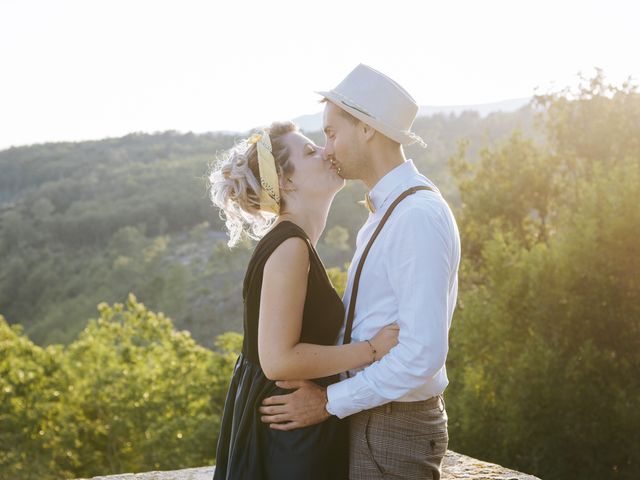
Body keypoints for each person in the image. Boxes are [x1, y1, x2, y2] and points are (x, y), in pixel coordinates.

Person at [259, 64, 461, 479]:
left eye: (332, 133)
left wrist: (329, 401)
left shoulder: (416, 215)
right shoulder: (386, 211)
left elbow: (422, 353)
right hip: (374, 414)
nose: (327, 149)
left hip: (394, 424)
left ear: (366, 128)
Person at [207, 120, 400, 479]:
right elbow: (278, 360)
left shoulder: (293, 242)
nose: (326, 152)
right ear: (286, 180)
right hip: (287, 431)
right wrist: (372, 349)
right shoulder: (290, 247)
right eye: (311, 151)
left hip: (290, 420)